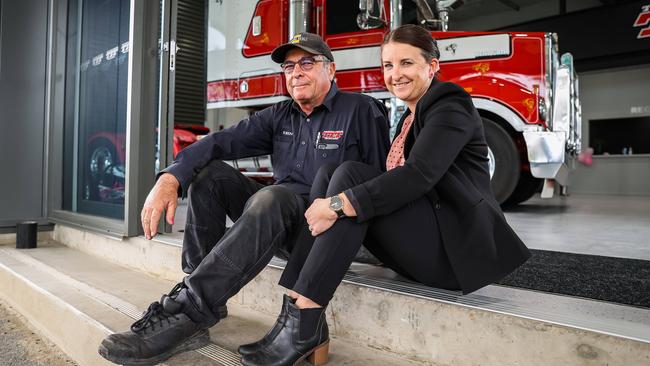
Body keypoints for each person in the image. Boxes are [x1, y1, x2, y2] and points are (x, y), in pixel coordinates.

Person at [239, 24, 531, 366]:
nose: (395, 74)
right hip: (425, 240)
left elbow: (419, 175)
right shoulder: (409, 117)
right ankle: (294, 314)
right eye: (388, 66)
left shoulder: (450, 103)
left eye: (406, 63)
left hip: (453, 254)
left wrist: (336, 205)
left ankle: (304, 320)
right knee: (332, 172)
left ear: (432, 66)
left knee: (348, 177)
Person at [98, 32, 390, 366]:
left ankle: (190, 310)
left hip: (321, 232)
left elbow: (375, 186)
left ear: (331, 70)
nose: (296, 72)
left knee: (272, 197)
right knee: (211, 176)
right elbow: (218, 142)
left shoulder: (362, 111)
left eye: (307, 63)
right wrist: (171, 177)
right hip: (277, 221)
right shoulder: (279, 116)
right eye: (289, 66)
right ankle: (196, 296)